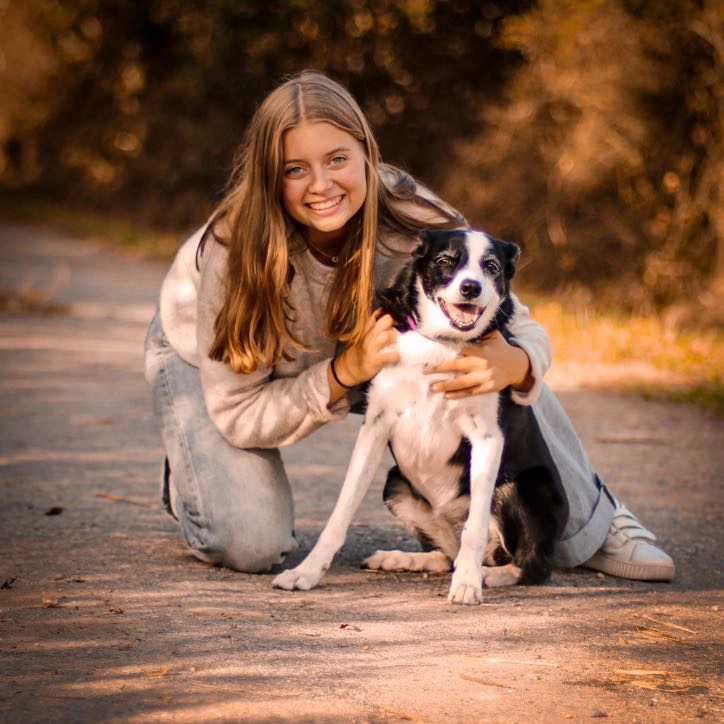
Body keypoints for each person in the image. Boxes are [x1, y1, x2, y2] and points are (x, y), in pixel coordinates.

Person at [144, 70, 674, 581]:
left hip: (368, 353)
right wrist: (342, 373)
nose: (321, 184)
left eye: (337, 159)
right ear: (268, 176)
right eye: (295, 169)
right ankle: (195, 480)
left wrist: (515, 363)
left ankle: (595, 521)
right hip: (224, 363)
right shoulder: (231, 249)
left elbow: (519, 323)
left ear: (367, 155)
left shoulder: (412, 218)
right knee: (249, 543)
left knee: (492, 355)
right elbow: (239, 413)